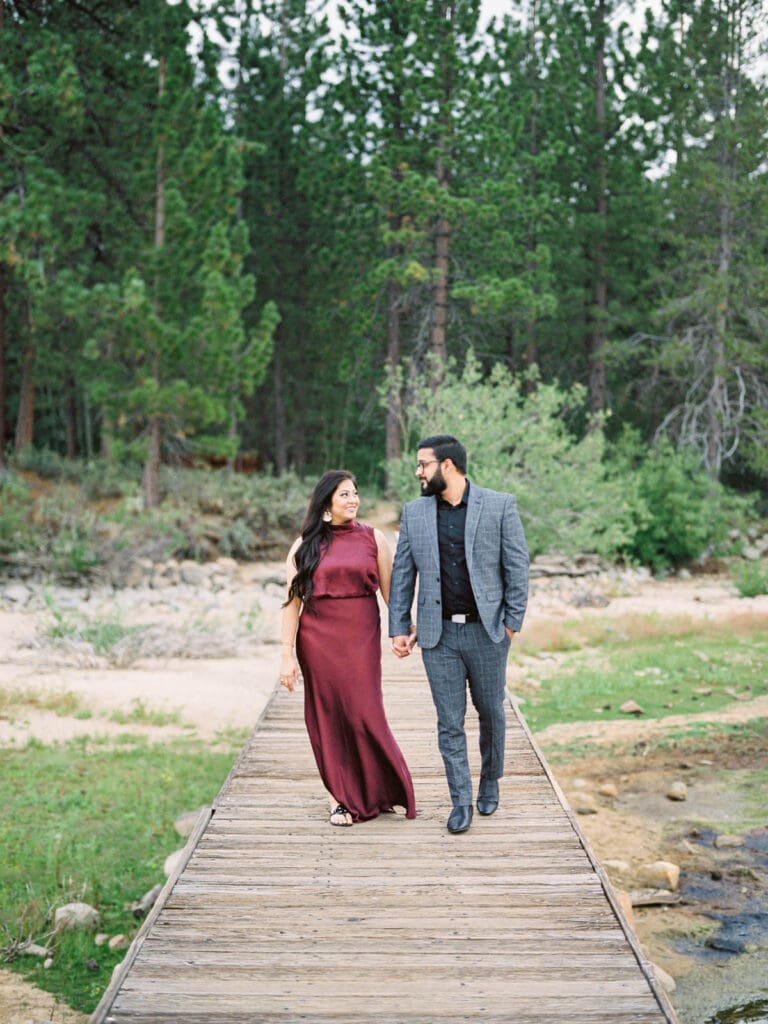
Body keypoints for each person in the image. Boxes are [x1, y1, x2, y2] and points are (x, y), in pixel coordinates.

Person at [389, 435, 529, 834]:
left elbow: (517, 566)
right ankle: (460, 800)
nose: (418, 472)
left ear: (447, 465)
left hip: (488, 633)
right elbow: (403, 573)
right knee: (449, 721)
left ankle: (489, 781)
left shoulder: (499, 505)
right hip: (438, 636)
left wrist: (511, 622)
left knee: (491, 712)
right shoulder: (414, 513)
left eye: (423, 464)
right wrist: (399, 626)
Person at [279, 469, 417, 827]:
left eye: (355, 493)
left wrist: (402, 631)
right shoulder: (304, 545)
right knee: (329, 715)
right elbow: (292, 605)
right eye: (344, 494)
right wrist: (286, 656)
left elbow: (391, 593)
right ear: (326, 501)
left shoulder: (374, 539)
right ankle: (338, 799)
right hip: (317, 639)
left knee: (364, 711)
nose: (352, 500)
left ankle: (380, 790)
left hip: (361, 636)